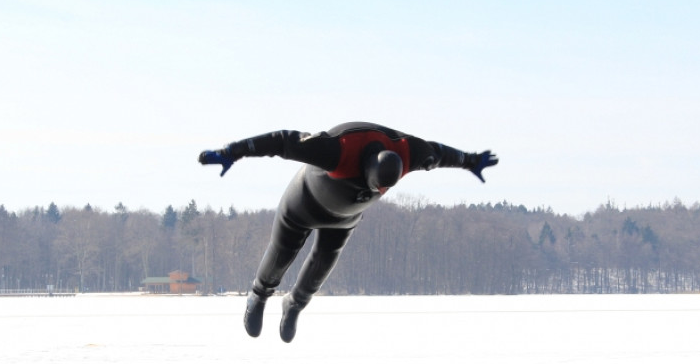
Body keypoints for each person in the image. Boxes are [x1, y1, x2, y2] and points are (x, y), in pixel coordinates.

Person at [198, 121, 498, 342]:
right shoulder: (338, 149)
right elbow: (281, 141)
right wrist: (232, 152)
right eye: (374, 185)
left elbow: (441, 153)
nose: (377, 192)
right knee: (281, 255)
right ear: (366, 167)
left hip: (345, 218)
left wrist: (470, 161)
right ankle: (258, 296)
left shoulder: (409, 153)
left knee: (322, 264)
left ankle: (295, 304)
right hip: (302, 204)